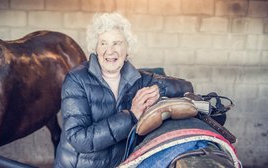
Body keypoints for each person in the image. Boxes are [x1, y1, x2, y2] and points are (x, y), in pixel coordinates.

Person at [54, 12, 193, 168]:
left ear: (127, 49)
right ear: (95, 47)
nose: (110, 50)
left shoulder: (137, 79)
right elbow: (79, 139)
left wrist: (157, 89)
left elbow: (185, 86)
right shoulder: (76, 80)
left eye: (117, 43)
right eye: (103, 43)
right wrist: (131, 115)